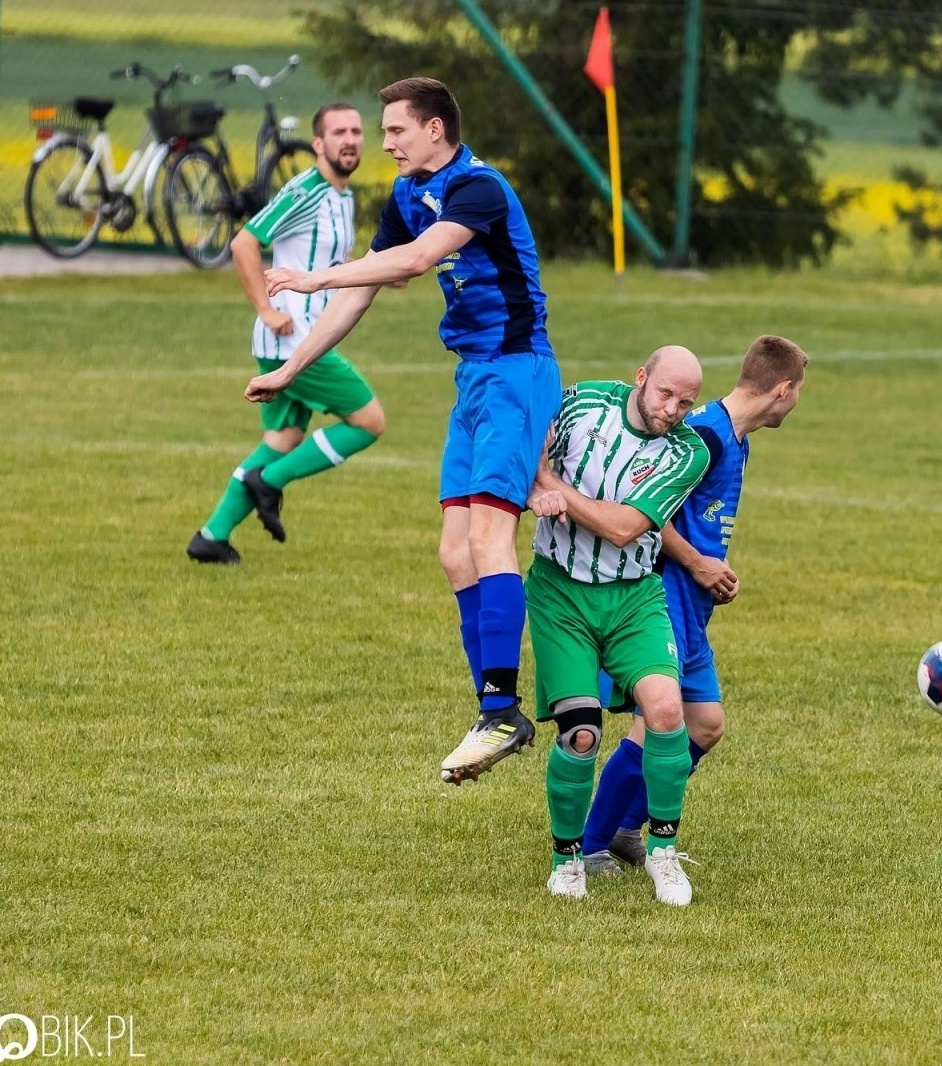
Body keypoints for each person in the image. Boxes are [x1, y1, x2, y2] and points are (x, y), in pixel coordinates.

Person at [244, 77, 562, 785]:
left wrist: (314, 275)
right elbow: (365, 288)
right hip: (475, 380)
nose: (383, 142)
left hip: (517, 372)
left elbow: (415, 262)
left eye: (395, 131)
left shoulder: (477, 188)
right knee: (454, 554)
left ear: (436, 132)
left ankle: (501, 709)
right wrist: (294, 364)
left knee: (488, 537)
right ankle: (497, 712)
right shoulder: (405, 196)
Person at [579, 335, 810, 876]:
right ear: (783, 390)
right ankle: (589, 845)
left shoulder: (734, 436)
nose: (797, 402)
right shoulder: (703, 436)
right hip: (665, 595)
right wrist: (699, 564)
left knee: (705, 725)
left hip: (694, 602)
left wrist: (713, 569)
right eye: (799, 392)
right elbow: (645, 513)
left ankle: (625, 828)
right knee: (654, 722)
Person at [525, 347, 712, 906]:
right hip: (560, 593)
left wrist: (553, 484)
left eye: (686, 401)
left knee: (666, 710)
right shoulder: (584, 402)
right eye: (665, 394)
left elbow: (625, 528)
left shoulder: (689, 453)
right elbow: (532, 435)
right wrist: (535, 485)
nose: (674, 408)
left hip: (634, 598)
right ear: (641, 378)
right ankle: (567, 859)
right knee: (581, 732)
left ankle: (661, 853)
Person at [186, 103, 382, 564]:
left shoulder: (342, 195)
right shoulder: (307, 191)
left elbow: (327, 263)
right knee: (369, 421)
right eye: (338, 132)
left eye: (356, 131)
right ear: (318, 143)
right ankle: (268, 482)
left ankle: (211, 537)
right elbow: (244, 243)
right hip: (295, 339)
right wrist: (267, 309)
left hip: (300, 337)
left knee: (284, 440)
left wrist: (378, 271)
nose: (350, 139)